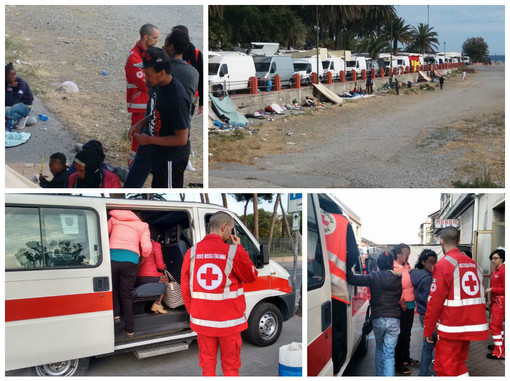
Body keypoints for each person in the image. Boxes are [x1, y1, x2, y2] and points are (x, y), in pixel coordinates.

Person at [181, 211, 258, 376]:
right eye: (231, 229)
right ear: (224, 227)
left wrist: (194, 311)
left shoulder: (191, 253)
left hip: (203, 322)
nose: (230, 233)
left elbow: (185, 288)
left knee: (207, 364)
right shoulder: (233, 252)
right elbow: (251, 276)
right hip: (229, 324)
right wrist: (239, 248)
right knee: (231, 366)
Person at [423, 227, 489, 376]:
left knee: (445, 368)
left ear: (441, 241)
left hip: (451, 327)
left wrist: (428, 329)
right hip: (469, 326)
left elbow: (435, 302)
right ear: (459, 241)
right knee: (458, 364)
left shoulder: (444, 265)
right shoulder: (473, 264)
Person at [124, 47, 191, 188]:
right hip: (159, 153)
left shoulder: (177, 98)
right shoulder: (158, 86)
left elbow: (181, 139)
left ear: (162, 73)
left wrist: (149, 140)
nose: (145, 77)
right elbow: (157, 112)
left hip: (171, 158)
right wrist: (141, 123)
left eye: (148, 74)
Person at [318, 195, 360, 376]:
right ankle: (336, 368)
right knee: (338, 331)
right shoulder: (343, 221)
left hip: (316, 279)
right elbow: (353, 254)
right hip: (337, 286)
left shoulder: (313, 214)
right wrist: (343, 270)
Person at [347, 252, 403, 376]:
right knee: (389, 355)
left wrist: (346, 262)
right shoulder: (398, 278)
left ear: (379, 263)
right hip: (394, 319)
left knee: (379, 349)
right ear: (391, 264)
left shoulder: (373, 277)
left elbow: (352, 279)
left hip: (378, 318)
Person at [108, 210, 152, 336]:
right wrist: (143, 256)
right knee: (126, 295)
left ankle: (116, 315)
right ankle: (129, 330)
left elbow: (102, 233)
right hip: (131, 261)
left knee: (113, 289)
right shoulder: (143, 225)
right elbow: (147, 247)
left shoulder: (114, 219)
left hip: (112, 258)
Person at [125, 23, 159, 167]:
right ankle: (133, 164)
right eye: (155, 38)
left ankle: (144, 163)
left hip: (148, 103)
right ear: (146, 37)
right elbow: (145, 83)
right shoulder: (134, 58)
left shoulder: (147, 54)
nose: (157, 40)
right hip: (140, 105)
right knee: (137, 138)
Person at [410, 249, 438, 376]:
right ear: (423, 262)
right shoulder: (427, 278)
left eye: (435, 262)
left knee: (430, 343)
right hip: (430, 315)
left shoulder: (415, 274)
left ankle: (426, 371)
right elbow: (429, 300)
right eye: (430, 262)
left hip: (423, 313)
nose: (433, 265)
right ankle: (424, 373)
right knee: (429, 345)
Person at [392, 243, 418, 375]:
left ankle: (406, 358)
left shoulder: (406, 265)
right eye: (406, 253)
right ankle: (399, 362)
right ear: (398, 255)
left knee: (407, 333)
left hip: (410, 303)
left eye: (409, 253)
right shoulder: (394, 267)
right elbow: (395, 286)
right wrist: (401, 300)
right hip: (401, 304)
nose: (408, 255)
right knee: (400, 334)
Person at [163, 28, 199, 105]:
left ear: (170, 47)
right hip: (184, 115)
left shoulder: (161, 68)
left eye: (165, 44)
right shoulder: (194, 73)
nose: (163, 47)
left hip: (161, 115)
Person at [173, 25, 203, 116]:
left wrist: (202, 102)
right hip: (174, 93)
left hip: (191, 95)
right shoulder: (170, 52)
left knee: (186, 118)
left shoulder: (197, 54)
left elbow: (202, 78)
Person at [136, 236, 168, 314]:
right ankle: (157, 303)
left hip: (136, 277)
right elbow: (160, 266)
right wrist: (165, 266)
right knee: (165, 280)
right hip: (150, 276)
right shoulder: (155, 245)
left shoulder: (135, 245)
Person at [486, 248, 505, 359]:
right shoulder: (496, 270)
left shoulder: (504, 271)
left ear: (502, 258)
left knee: (494, 326)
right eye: (492, 259)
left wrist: (492, 289)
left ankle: (500, 353)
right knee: (497, 326)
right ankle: (499, 346)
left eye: (495, 258)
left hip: (501, 301)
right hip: (495, 301)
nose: (493, 260)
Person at [5, 63, 33, 129]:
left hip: (25, 105)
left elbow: (12, 102)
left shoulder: (21, 83)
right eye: (9, 77)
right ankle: (11, 117)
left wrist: (9, 89)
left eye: (13, 75)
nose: (12, 78)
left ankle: (23, 117)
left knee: (6, 110)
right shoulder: (5, 82)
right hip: (13, 105)